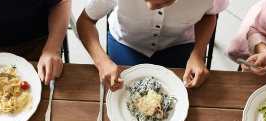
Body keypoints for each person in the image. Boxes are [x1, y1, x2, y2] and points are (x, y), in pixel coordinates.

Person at [76, 0, 229, 90]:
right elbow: (85, 21)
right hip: (125, 42)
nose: (150, 6)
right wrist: (102, 62)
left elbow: (209, 15)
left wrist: (197, 54)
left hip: (179, 45)